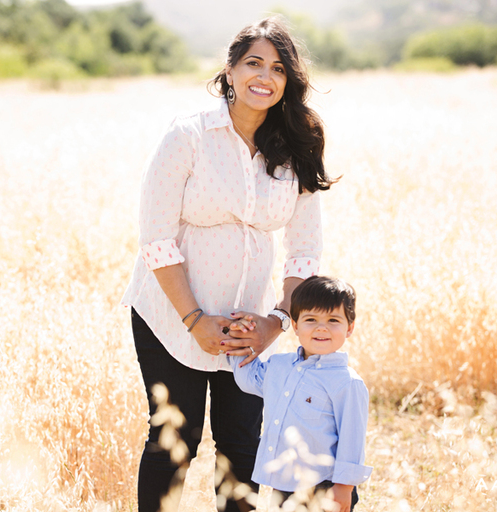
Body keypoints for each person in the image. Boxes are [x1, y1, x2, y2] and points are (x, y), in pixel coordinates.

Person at [120, 16, 336, 512]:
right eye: (253, 63)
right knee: (174, 441)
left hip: (250, 326)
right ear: (231, 71)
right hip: (170, 315)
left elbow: (303, 251)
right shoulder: (189, 135)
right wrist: (194, 319)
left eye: (278, 68)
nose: (265, 76)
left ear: (289, 80)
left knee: (242, 445)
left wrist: (275, 323)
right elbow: (155, 239)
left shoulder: (295, 148)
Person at [227, 276, 372, 512]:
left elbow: (352, 439)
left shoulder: (347, 382)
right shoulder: (280, 366)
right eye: (311, 319)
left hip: (325, 484)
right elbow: (249, 380)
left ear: (350, 328)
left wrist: (344, 487)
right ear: (295, 325)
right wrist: (239, 337)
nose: (321, 327)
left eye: (333, 320)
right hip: (285, 482)